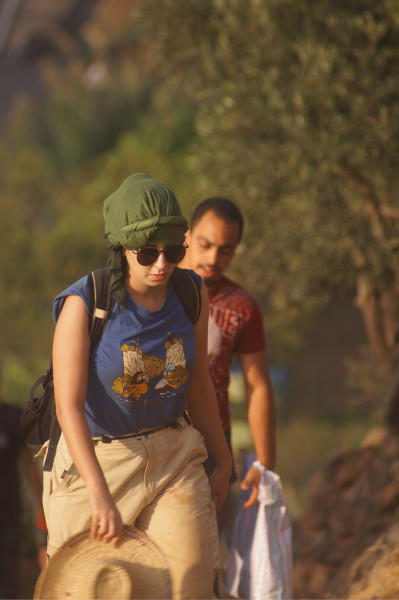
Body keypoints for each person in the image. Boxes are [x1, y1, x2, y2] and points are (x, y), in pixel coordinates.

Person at [41, 174, 232, 599]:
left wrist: (223, 460)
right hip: (97, 460)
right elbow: (67, 407)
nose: (161, 264)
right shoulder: (85, 304)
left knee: (193, 585)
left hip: (173, 456)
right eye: (147, 253)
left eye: (173, 251)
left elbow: (198, 384)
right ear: (122, 248)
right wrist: (99, 494)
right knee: (86, 589)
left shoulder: (190, 292)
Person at [180, 197, 276, 512]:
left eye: (226, 250)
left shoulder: (242, 307)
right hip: (151, 435)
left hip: (211, 443)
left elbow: (257, 385)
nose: (213, 258)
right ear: (187, 236)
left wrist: (264, 462)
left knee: (203, 553)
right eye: (205, 245)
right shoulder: (156, 287)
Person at [0, 399, 45, 599]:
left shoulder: (11, 415)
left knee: (9, 579)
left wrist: (41, 508)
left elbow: (29, 466)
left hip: (9, 513)